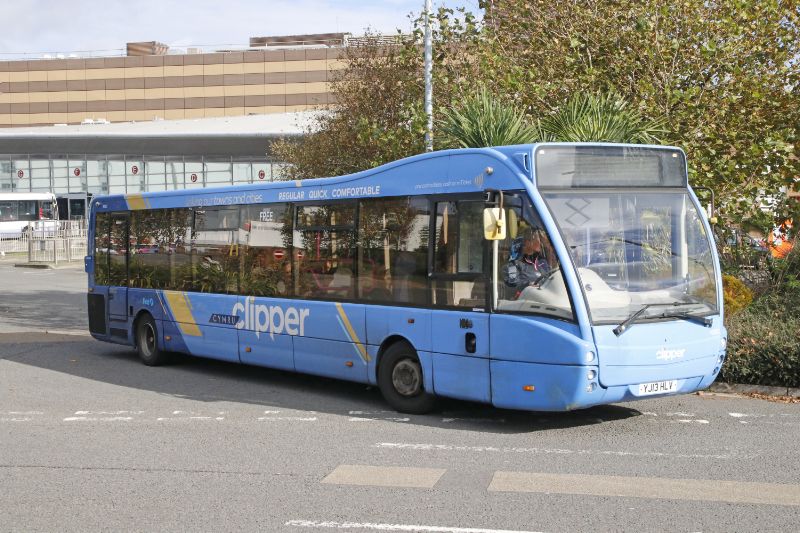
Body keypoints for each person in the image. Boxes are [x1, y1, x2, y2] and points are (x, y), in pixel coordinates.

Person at [503, 228, 552, 295]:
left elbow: (550, 278)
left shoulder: (542, 262)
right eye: (539, 239)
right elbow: (512, 285)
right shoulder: (513, 265)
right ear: (527, 242)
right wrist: (527, 284)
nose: (542, 243)